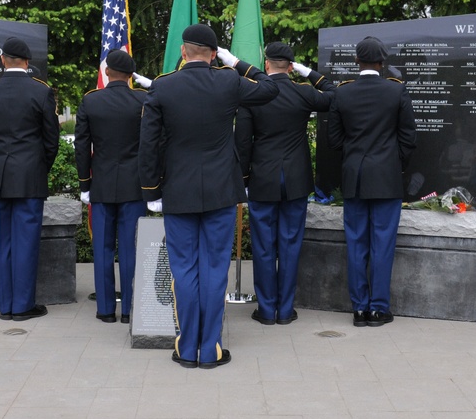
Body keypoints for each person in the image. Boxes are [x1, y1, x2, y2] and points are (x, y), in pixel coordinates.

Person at [139, 24, 279, 369]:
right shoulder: (228, 79)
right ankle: (210, 348)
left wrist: (151, 191)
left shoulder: (162, 86)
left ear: (183, 52)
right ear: (214, 54)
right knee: (215, 268)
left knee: (183, 269)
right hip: (220, 190)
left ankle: (187, 348)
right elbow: (271, 87)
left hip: (178, 190)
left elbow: (148, 145)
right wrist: (239, 64)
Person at [235, 41, 335, 326]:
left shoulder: (252, 94)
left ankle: (266, 310)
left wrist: (243, 180)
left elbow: (242, 142)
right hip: (295, 180)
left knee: (264, 246)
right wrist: (310, 74)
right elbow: (333, 95)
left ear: (266, 64)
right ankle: (285, 309)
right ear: (291, 67)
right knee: (290, 245)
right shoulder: (303, 92)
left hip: (262, 180)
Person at [327, 36, 417, 327]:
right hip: (386, 179)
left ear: (357, 61)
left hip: (355, 177)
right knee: (382, 244)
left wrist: (355, 157)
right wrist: (392, 162)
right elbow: (408, 138)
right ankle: (378, 309)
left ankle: (359, 309)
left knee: (356, 244)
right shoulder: (396, 91)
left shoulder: (343, 93)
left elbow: (334, 140)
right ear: (382, 62)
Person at [0, 37, 60, 322]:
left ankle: (6, 305)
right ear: (27, 62)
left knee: (1, 243)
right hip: (29, 177)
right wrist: (38, 167)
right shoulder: (42, 92)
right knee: (26, 242)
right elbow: (51, 141)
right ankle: (22, 306)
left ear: (2, 59)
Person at [74, 50, 148, 324]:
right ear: (131, 76)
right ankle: (129, 310)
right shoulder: (142, 100)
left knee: (103, 248)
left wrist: (85, 183)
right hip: (135, 187)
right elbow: (153, 145)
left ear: (106, 73)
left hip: (102, 185)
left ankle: (105, 309)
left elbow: (82, 146)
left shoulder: (91, 101)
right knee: (130, 249)